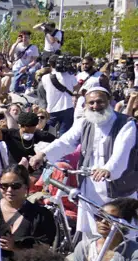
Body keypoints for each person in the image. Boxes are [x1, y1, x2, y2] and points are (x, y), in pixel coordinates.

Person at [31, 83, 138, 237]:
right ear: (86, 104)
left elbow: (122, 152)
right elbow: (66, 141)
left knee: (121, 233)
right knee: (92, 232)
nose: (96, 106)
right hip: (90, 186)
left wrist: (108, 169)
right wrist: (43, 154)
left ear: (109, 101)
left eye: (100, 101)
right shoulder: (85, 121)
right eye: (91, 103)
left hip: (118, 186)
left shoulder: (126, 123)